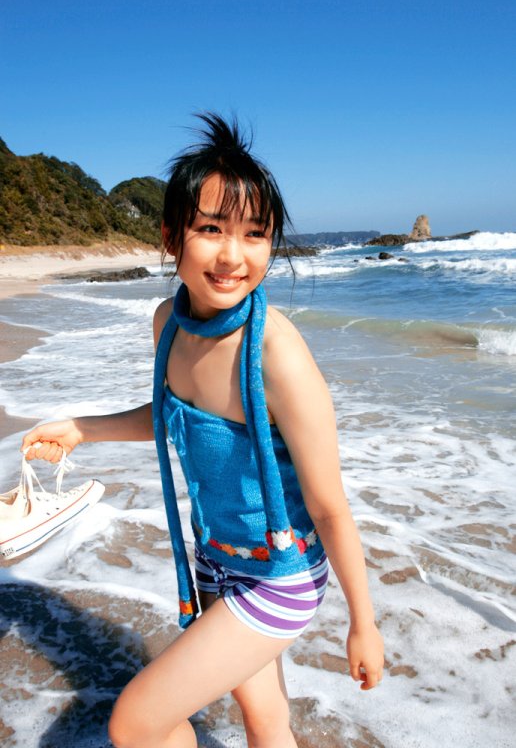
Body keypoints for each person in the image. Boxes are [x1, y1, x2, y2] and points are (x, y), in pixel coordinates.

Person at [22, 114, 384, 748]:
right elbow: (171, 416)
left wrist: (364, 622)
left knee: (136, 723)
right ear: (172, 237)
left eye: (254, 234)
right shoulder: (168, 322)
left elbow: (329, 506)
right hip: (215, 562)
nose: (232, 256)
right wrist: (83, 429)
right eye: (211, 229)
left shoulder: (273, 352)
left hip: (281, 576)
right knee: (266, 721)